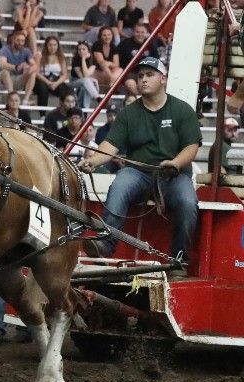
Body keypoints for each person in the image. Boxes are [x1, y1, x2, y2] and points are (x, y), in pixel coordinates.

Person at [77, 57, 202, 274]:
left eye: (150, 75)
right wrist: (93, 160)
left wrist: (174, 163)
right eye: (140, 76)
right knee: (119, 186)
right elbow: (111, 145)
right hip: (139, 173)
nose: (143, 79)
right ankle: (106, 244)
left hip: (173, 175)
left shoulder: (181, 110)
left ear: (163, 79)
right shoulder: (129, 113)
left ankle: (178, 259)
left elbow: (191, 147)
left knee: (187, 201)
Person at [0, 30, 37, 106]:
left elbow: (34, 65)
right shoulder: (5, 49)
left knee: (33, 73)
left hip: (18, 79)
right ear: (13, 40)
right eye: (18, 40)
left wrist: (30, 69)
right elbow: (2, 64)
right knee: (5, 71)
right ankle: (12, 99)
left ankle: (25, 101)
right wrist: (16, 67)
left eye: (22, 41)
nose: (20, 43)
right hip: (3, 81)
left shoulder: (26, 51)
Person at [117, 23, 158, 96]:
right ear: (133, 32)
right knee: (130, 84)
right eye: (137, 32)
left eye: (142, 32)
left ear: (146, 33)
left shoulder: (150, 45)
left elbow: (156, 61)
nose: (140, 34)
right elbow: (118, 60)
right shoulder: (124, 44)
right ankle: (142, 100)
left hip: (147, 73)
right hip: (130, 73)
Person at [33, 36, 69, 110]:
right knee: (43, 88)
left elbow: (64, 75)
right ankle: (42, 114)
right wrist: (48, 82)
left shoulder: (61, 57)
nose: (52, 47)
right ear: (46, 46)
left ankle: (63, 111)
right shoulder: (40, 55)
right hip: (42, 80)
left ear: (57, 46)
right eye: (50, 45)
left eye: (54, 45)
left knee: (63, 88)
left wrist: (56, 83)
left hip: (56, 81)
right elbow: (36, 72)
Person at [69, 41, 101, 109]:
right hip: (74, 82)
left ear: (88, 50)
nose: (81, 51)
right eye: (79, 49)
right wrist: (83, 59)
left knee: (85, 88)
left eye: (84, 49)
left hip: (86, 84)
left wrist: (95, 81)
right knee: (86, 81)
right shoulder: (75, 59)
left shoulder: (93, 60)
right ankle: (97, 98)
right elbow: (83, 77)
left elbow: (87, 75)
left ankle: (85, 109)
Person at [95, 103, 124, 173]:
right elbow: (100, 150)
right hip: (107, 161)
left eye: (115, 115)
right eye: (110, 115)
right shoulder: (101, 131)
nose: (113, 118)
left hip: (124, 160)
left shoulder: (126, 130)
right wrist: (116, 160)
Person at [148, 0, 175, 65]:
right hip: (158, 38)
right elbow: (152, 28)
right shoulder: (153, 12)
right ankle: (153, 63)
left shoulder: (176, 11)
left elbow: (178, 26)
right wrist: (161, 38)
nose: (164, 1)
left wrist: (171, 37)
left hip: (172, 37)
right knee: (152, 43)